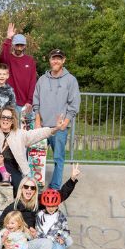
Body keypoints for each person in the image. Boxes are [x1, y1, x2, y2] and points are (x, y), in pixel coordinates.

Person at [0, 106, 61, 194]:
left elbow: (36, 134)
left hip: (11, 167)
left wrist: (55, 129)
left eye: (9, 118)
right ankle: (4, 174)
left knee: (20, 188)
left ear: (12, 121)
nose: (5, 120)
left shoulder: (19, 134)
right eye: (3, 117)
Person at [33, 48, 80, 190]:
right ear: (50, 60)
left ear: (63, 60)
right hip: (43, 127)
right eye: (54, 58)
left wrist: (65, 123)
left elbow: (74, 103)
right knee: (36, 158)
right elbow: (36, 101)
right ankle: (34, 185)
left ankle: (55, 188)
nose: (56, 61)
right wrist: (37, 121)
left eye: (59, 58)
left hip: (59, 128)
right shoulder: (42, 79)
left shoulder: (70, 80)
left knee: (58, 158)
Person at [0, 24, 37, 127]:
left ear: (25, 46)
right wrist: (8, 38)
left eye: (21, 45)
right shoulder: (8, 59)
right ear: (13, 45)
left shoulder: (30, 60)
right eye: (17, 45)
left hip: (26, 105)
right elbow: (2, 57)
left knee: (27, 134)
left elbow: (33, 81)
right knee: (12, 132)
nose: (19, 47)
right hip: (11, 103)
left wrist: (30, 101)